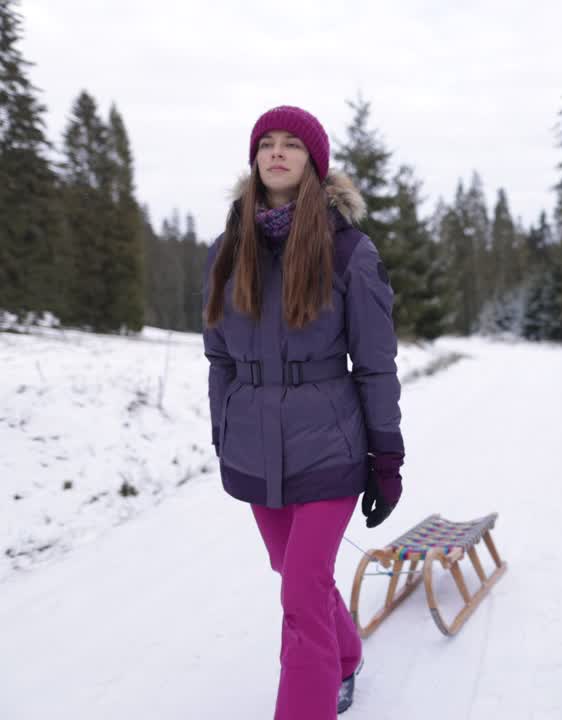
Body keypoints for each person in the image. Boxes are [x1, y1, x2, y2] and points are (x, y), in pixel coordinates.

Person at [202, 105, 404, 719]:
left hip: (329, 447)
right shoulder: (226, 249)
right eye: (266, 143)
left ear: (314, 162)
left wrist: (386, 456)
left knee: (298, 593)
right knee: (292, 571)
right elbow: (219, 358)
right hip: (254, 447)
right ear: (255, 159)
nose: (277, 152)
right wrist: (223, 432)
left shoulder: (349, 251)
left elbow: (374, 363)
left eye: (292, 144)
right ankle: (346, 657)